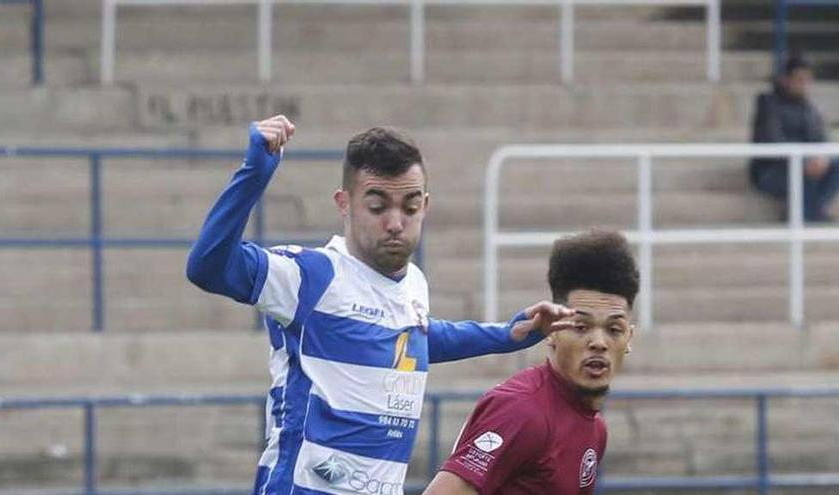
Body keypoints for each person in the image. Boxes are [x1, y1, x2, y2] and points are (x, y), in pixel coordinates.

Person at [186, 115, 575, 495]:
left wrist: (508, 333)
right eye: (378, 207)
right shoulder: (310, 276)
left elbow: (413, 338)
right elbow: (207, 267)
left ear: (425, 205)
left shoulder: (413, 283)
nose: (395, 222)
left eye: (409, 207)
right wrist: (254, 174)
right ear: (344, 203)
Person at [423, 229, 639, 495]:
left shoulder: (595, 428)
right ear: (552, 332)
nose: (599, 342)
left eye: (614, 330)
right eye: (581, 327)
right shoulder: (522, 410)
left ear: (629, 337)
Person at [750, 55, 839, 222]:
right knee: (804, 173)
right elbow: (772, 141)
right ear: (786, 79)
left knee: (833, 163)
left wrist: (821, 158)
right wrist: (805, 161)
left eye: (807, 80)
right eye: (799, 79)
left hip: (804, 165)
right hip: (772, 170)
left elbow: (820, 138)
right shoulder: (768, 103)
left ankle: (806, 212)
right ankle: (810, 213)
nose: (803, 85)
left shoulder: (809, 107)